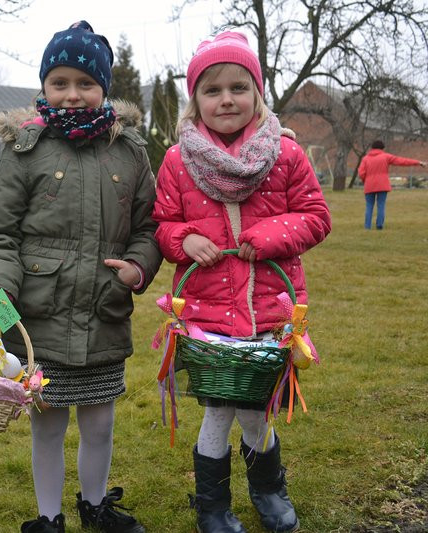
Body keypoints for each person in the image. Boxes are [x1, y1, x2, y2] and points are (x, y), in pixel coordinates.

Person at [0, 21, 162, 533]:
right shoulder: (26, 150)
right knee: (48, 423)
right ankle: (48, 517)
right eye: (60, 83)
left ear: (104, 89)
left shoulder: (131, 152)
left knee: (100, 423)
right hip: (40, 316)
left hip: (104, 311)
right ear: (44, 87)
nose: (72, 94)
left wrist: (139, 266)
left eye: (85, 83)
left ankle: (95, 505)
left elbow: (150, 226)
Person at [152, 31, 331, 533]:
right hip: (207, 313)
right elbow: (163, 223)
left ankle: (268, 489)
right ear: (196, 100)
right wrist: (183, 239)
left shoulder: (286, 155)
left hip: (270, 309)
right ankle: (213, 504)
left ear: (256, 94)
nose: (226, 99)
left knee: (252, 410)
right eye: (212, 90)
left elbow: (316, 216)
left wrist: (271, 233)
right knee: (220, 412)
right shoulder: (177, 160)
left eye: (238, 87)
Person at [357, 140, 426, 230]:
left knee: (369, 205)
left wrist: (365, 181)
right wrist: (418, 162)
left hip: (369, 185)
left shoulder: (365, 158)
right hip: (382, 185)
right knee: (381, 205)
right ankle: (379, 225)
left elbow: (361, 173)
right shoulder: (386, 156)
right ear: (382, 148)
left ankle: (367, 226)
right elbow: (402, 161)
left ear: (372, 148)